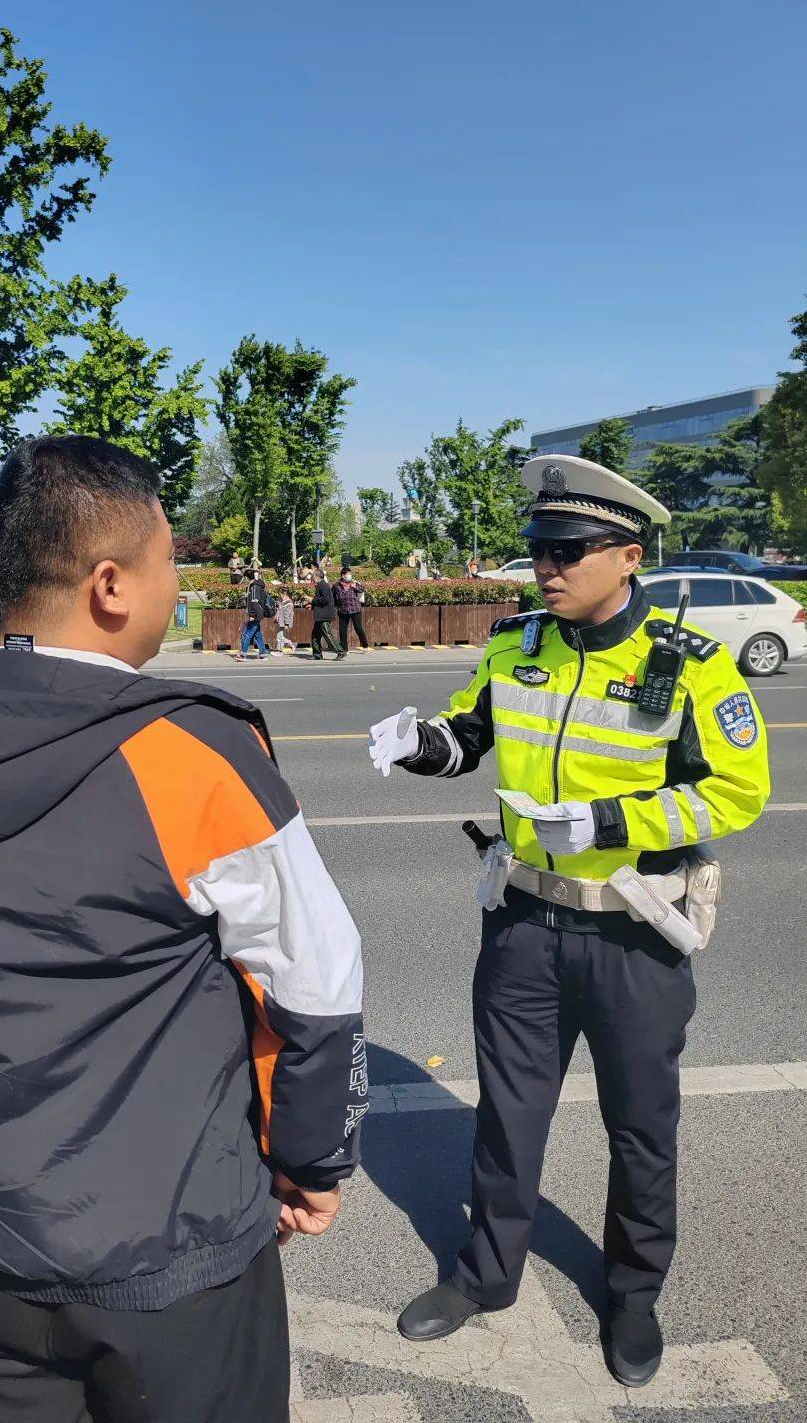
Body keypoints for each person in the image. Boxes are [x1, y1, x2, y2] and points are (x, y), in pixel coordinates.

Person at [0, 436, 366, 1423]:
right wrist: (310, 1161)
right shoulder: (188, 751)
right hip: (168, 1260)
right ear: (111, 585)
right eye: (172, 560)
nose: (181, 582)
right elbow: (317, 980)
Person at [368, 454, 769, 1389]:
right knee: (507, 1117)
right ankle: (486, 1273)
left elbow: (738, 793)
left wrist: (612, 821)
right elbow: (472, 732)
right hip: (522, 927)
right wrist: (420, 744)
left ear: (628, 555)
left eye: (568, 551)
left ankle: (632, 1296)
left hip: (632, 931)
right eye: (538, 549)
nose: (545, 567)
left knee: (641, 1128)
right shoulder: (519, 645)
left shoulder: (690, 666)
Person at [310, 566, 344, 660]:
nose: (312, 577)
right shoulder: (319, 585)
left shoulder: (323, 585)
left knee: (327, 634)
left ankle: (340, 651)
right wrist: (312, 605)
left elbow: (325, 599)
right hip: (320, 615)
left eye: (313, 575)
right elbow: (321, 600)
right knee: (315, 635)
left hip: (324, 615)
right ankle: (317, 654)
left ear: (317, 576)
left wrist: (312, 600)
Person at [237, 566, 270, 660]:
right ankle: (263, 654)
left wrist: (252, 615)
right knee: (257, 634)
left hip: (255, 614)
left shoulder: (254, 587)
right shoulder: (256, 586)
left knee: (247, 633)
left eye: (245, 578)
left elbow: (255, 601)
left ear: (248, 578)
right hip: (258, 613)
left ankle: (243, 654)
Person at [333, 568, 369, 652]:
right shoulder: (336, 585)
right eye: (348, 574)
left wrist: (355, 586)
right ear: (343, 575)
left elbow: (362, 589)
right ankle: (344, 648)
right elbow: (333, 596)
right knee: (342, 630)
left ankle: (365, 645)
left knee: (358, 628)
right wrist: (337, 606)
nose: (350, 576)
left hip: (355, 609)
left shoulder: (354, 582)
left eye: (350, 574)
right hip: (343, 610)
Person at [273, 588, 296, 655]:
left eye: (280, 594)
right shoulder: (284, 601)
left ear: (284, 593)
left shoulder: (288, 602)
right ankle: (280, 649)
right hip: (281, 622)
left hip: (284, 622)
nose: (279, 595)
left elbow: (288, 613)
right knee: (280, 636)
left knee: (279, 637)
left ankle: (283, 649)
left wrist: (286, 624)